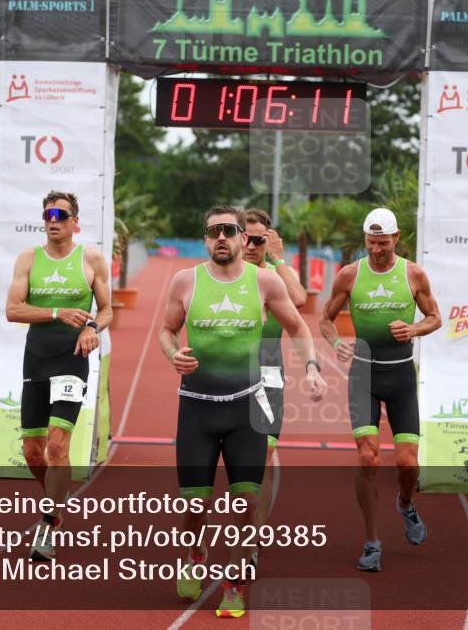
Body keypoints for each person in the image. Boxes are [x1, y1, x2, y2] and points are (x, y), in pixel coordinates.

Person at [160, 205, 327, 618]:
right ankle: (195, 553)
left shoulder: (265, 282)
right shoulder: (185, 281)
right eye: (214, 230)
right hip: (196, 408)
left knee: (244, 502)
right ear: (205, 238)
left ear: (242, 238)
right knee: (194, 506)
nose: (222, 237)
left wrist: (311, 368)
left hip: (247, 408)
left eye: (230, 231)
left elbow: (299, 327)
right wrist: (173, 354)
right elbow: (166, 330)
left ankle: (234, 584)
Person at [318, 207, 442, 573]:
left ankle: (405, 503)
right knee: (368, 458)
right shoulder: (350, 275)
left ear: (396, 239)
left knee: (407, 462)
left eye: (383, 244)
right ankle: (372, 541)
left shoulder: (413, 273)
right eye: (371, 243)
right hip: (364, 375)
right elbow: (325, 319)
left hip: (400, 374)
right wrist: (336, 343)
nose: (376, 250)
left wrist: (415, 330)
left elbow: (435, 317)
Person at [6, 191, 112, 561]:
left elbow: (108, 309)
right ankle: (56, 501)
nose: (53, 220)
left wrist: (92, 327)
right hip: (36, 359)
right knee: (33, 452)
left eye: (61, 214)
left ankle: (47, 525)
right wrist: (55, 313)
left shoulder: (91, 259)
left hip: (72, 359)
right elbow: (12, 310)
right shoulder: (28, 259)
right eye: (48, 214)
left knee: (57, 446)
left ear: (74, 221)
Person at [241, 209, 308, 530]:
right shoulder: (226, 274)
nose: (252, 246)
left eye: (260, 240)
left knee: (261, 460)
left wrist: (279, 259)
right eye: (247, 239)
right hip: (229, 378)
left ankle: (251, 537)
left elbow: (299, 299)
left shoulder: (275, 274)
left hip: (268, 378)